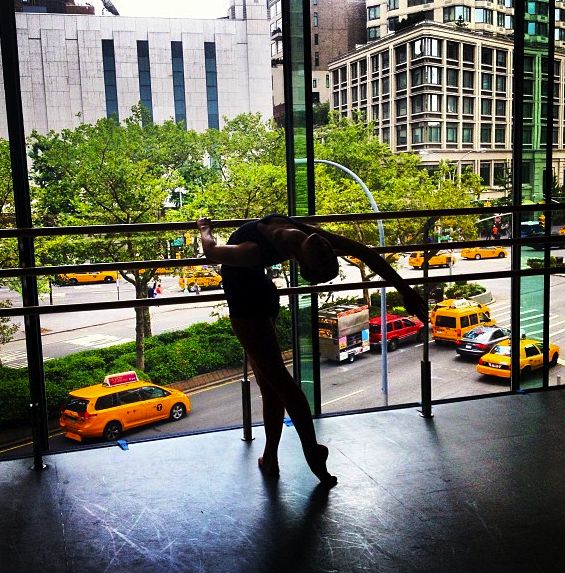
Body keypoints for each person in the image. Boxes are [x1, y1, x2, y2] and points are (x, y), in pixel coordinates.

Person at [197, 214, 427, 488]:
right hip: (261, 298)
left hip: (248, 310)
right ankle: (270, 457)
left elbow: (211, 251)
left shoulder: (255, 251)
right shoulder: (304, 232)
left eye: (323, 256)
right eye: (326, 253)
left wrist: (204, 228)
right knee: (271, 387)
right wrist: (407, 291)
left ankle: (312, 452)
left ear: (300, 259)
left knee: (281, 384)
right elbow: (364, 252)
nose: (325, 248)